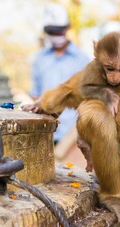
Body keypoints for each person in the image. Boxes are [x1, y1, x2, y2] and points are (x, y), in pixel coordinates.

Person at [30, 2, 90, 143]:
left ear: (68, 27)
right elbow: (35, 93)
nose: (56, 35)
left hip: (73, 136)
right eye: (52, 32)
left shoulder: (82, 59)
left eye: (59, 31)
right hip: (45, 133)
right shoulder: (39, 58)